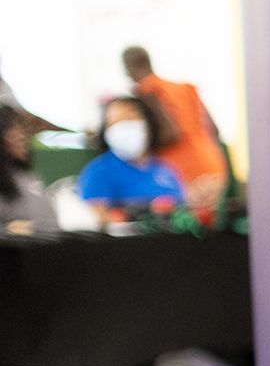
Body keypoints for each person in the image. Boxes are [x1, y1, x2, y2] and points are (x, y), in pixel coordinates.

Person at [123, 45, 230, 215]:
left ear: (128, 67)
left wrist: (142, 145)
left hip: (184, 174)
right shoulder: (185, 88)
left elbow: (171, 133)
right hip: (214, 167)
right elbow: (214, 130)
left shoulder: (148, 90)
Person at [76, 96, 188, 224]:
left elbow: (183, 212)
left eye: (129, 117)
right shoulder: (98, 171)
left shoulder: (166, 169)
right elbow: (100, 220)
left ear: (148, 122)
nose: (122, 126)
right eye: (113, 122)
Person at [0, 105, 58, 233]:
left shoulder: (26, 176)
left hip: (47, 248)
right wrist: (9, 231)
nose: (21, 136)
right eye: (11, 130)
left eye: (22, 128)